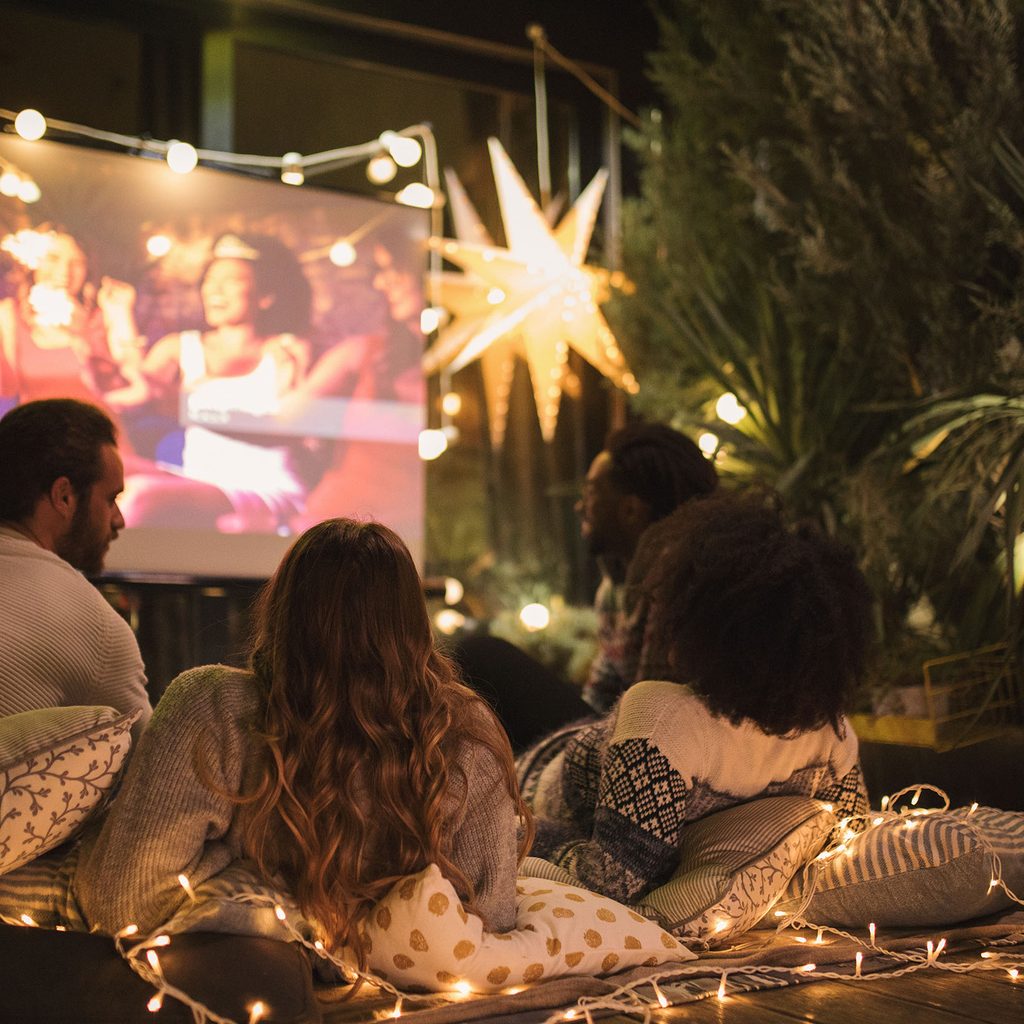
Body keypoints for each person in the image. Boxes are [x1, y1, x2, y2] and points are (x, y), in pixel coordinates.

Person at [75, 519, 530, 964]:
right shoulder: (464, 731)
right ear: (414, 623)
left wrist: (243, 873)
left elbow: (121, 904)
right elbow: (490, 925)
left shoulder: (213, 706)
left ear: (282, 607)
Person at [518, 489, 873, 905]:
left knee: (484, 656)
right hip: (580, 745)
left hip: (530, 782)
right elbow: (854, 842)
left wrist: (517, 830)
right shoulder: (832, 734)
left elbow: (610, 881)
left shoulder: (664, 719)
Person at [457, 422, 718, 751]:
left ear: (631, 510)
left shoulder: (673, 580)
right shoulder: (616, 582)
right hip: (610, 725)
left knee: (481, 656)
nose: (580, 506)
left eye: (592, 493)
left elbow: (657, 709)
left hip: (644, 743)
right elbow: (601, 691)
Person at [103, 232, 314, 533]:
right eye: (210, 281)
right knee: (102, 471)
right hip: (198, 479)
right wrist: (120, 312)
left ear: (264, 296)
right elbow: (137, 387)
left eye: (231, 280)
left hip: (265, 487)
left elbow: (296, 427)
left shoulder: (288, 350)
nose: (216, 290)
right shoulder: (180, 346)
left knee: (140, 497)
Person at [0, 398, 151, 740]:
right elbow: (156, 773)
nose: (119, 520)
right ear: (64, 496)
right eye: (111, 499)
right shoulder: (96, 626)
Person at [0, 226, 132, 409]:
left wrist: (122, 313)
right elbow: (7, 389)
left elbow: (137, 384)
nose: (65, 271)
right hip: (40, 432)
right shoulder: (10, 315)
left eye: (77, 262)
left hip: (97, 431)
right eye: (53, 259)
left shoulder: (102, 316)